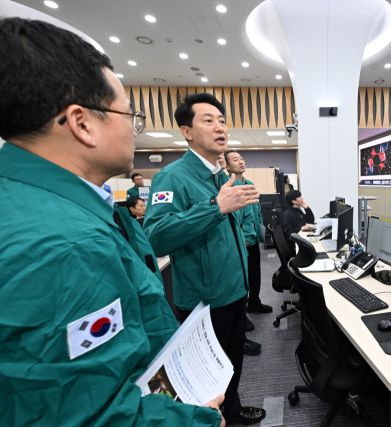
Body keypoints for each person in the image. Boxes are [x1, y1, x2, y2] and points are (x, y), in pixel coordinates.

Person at [0, 18, 224, 426]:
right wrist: (198, 421)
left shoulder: (50, 205)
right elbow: (93, 413)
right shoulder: (63, 246)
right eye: (129, 115)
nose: (134, 130)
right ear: (82, 123)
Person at [144, 93, 266, 425]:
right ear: (186, 131)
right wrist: (215, 207)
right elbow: (155, 236)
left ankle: (233, 411)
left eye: (222, 121)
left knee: (231, 366)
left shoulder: (220, 176)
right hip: (205, 302)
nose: (219, 127)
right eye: (208, 121)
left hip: (234, 291)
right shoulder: (172, 177)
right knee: (207, 378)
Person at [225, 150, 273, 314]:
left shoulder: (249, 183)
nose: (241, 161)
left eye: (241, 158)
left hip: (252, 237)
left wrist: (260, 232)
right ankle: (241, 313)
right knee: (241, 277)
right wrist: (242, 239)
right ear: (227, 166)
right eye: (235, 159)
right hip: (240, 241)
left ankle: (254, 302)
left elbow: (256, 211)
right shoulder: (228, 187)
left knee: (254, 273)